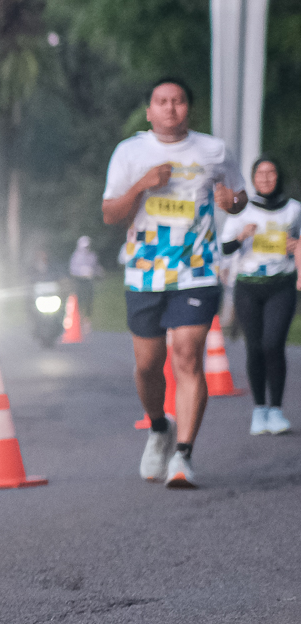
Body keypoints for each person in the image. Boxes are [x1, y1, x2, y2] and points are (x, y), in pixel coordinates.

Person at [102, 77, 246, 487]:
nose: (170, 108)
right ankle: (159, 427)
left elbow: (239, 196)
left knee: (187, 357)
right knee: (148, 366)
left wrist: (232, 202)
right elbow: (110, 214)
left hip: (197, 270)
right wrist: (142, 185)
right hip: (144, 273)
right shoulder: (129, 152)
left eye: (178, 101)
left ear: (188, 108)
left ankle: (183, 455)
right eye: (162, 102)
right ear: (149, 111)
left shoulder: (213, 150)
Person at [221, 158, 299, 435]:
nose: (265, 178)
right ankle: (259, 410)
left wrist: (296, 245)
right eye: (260, 174)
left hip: (281, 284)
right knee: (254, 347)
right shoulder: (242, 211)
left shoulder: (294, 209)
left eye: (271, 172)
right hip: (248, 286)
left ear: (279, 176)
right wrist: (242, 237)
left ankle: (276, 410)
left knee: (273, 344)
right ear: (253, 179)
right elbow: (226, 248)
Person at [68, 235, 102, 319]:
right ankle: (80, 317)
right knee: (80, 300)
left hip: (89, 282)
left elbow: (96, 267)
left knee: (89, 300)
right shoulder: (76, 256)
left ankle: (87, 318)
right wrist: (81, 272)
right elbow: (72, 269)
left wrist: (98, 273)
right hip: (79, 281)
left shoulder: (92, 255)